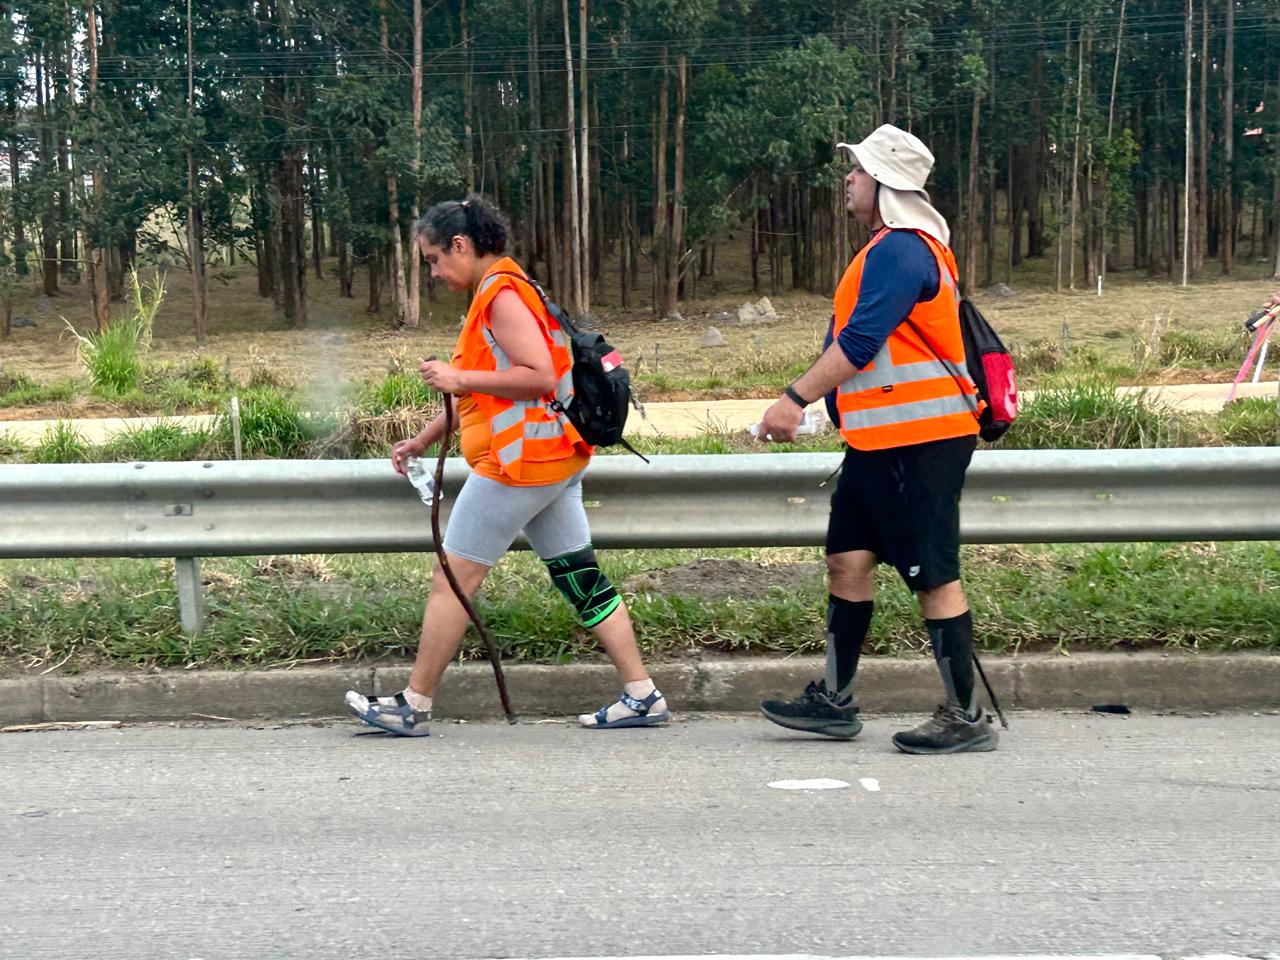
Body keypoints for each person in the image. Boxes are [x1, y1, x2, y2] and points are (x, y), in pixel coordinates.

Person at [345, 195, 670, 736]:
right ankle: (642, 694)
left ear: (461, 245)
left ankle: (413, 705)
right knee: (579, 575)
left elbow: (538, 375)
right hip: (553, 459)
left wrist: (458, 378)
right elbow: (484, 393)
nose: (432, 272)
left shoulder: (499, 296)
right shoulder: (508, 288)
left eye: (433, 259)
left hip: (518, 468)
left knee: (450, 579)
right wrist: (424, 438)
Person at [754, 124, 997, 755]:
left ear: (885, 183)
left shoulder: (903, 250)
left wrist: (794, 400)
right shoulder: (889, 247)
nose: (848, 179)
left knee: (932, 575)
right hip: (877, 443)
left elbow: (858, 347)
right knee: (847, 561)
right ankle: (833, 701)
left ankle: (966, 715)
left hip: (922, 443)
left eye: (857, 170)